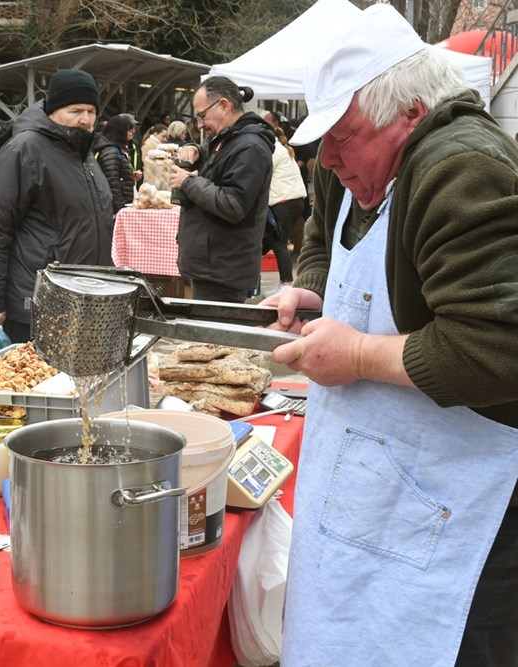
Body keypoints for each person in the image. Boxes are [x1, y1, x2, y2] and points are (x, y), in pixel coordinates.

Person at [262, 6, 518, 665]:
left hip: (454, 509)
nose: (331, 156)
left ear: (410, 111)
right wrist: (312, 289)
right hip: (367, 486)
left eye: (345, 136)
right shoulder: (346, 158)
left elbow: (498, 349)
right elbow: (318, 234)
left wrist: (358, 355)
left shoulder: (461, 168)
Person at [0, 68, 113, 343]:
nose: (85, 119)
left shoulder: (83, 153)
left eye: (91, 110)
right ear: (52, 111)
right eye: (75, 110)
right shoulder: (24, 150)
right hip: (40, 302)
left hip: (83, 298)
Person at [168, 76, 274, 303]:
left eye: (202, 116)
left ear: (224, 105)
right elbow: (218, 170)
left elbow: (232, 204)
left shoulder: (250, 147)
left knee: (214, 337)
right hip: (214, 266)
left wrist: (188, 182)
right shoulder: (230, 139)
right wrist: (195, 150)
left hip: (222, 271)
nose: (199, 125)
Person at [264, 126, 306, 294]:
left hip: (284, 202)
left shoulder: (273, 151)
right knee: (278, 242)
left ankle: (286, 286)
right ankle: (284, 284)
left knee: (279, 244)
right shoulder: (281, 149)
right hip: (292, 202)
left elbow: (261, 172)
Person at [93, 113, 137, 211]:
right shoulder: (111, 151)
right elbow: (112, 181)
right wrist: (121, 208)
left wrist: (129, 175)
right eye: (129, 129)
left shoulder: (115, 149)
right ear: (120, 131)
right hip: (117, 209)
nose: (133, 131)